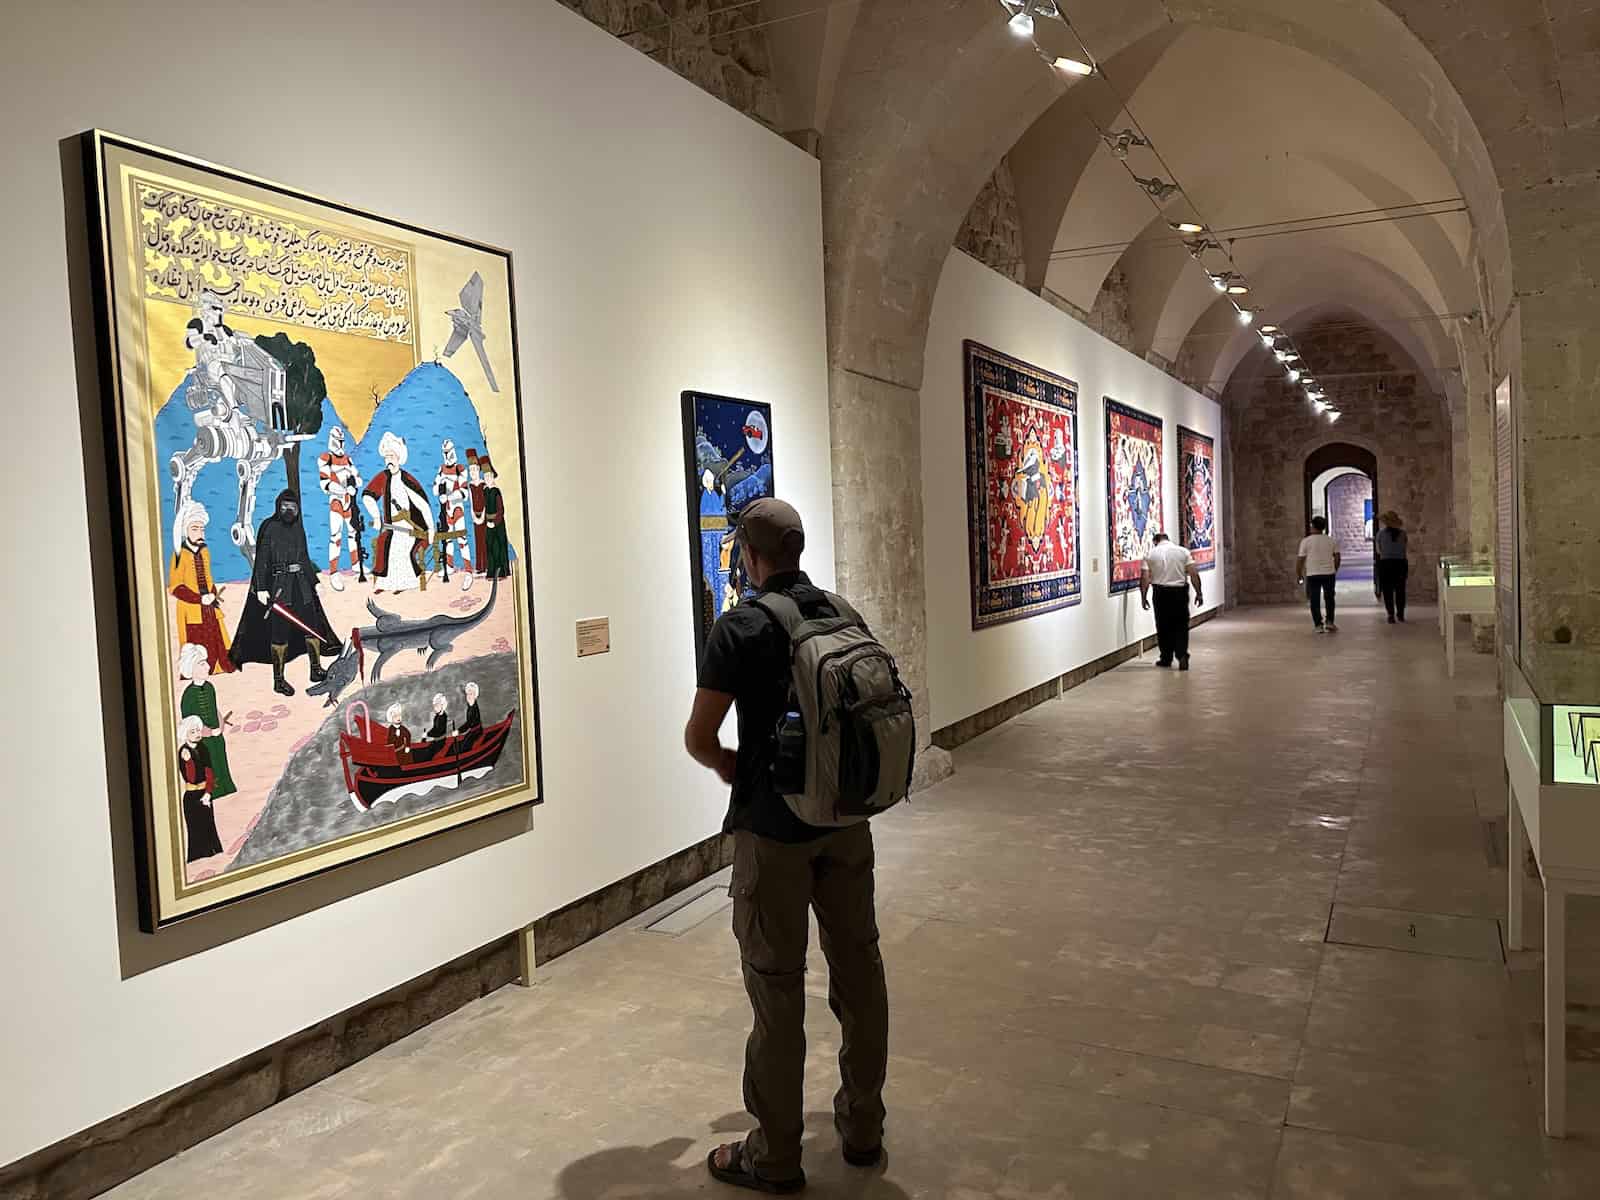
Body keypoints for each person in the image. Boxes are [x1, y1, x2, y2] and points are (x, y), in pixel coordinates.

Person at [684, 498, 888, 1194]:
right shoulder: (841, 611)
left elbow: (699, 736)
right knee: (859, 971)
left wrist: (727, 763)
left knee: (777, 991)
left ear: (750, 554)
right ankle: (863, 1128)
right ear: (798, 549)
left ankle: (774, 1155)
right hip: (846, 820)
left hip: (774, 833)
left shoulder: (739, 626)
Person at [229, 490, 341, 696]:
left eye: (293, 507)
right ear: (278, 507)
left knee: (311, 626)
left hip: (301, 587)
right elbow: (261, 560)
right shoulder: (269, 528)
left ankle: (315, 669)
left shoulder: (298, 529)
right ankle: (278, 680)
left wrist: (315, 582)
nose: (289, 511)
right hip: (279, 588)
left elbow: (305, 558)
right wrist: (261, 588)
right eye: (285, 507)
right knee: (279, 633)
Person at [362, 431, 434, 593]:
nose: (389, 461)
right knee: (384, 543)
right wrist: (376, 515)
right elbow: (367, 496)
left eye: (392, 457)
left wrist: (431, 528)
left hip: (411, 528)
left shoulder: (407, 479)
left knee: (399, 547)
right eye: (387, 457)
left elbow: (423, 505)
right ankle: (386, 584)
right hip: (391, 527)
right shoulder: (383, 477)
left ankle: (404, 584)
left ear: (399, 458)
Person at [167, 501, 235, 673]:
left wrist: (212, 595)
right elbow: (175, 586)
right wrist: (198, 599)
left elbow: (208, 577)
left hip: (208, 605)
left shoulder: (204, 550)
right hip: (191, 608)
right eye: (195, 528)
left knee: (215, 637)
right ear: (186, 531)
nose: (199, 533)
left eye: (202, 529)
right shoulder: (178, 555)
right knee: (197, 639)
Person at [177, 642, 236, 801]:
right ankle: (213, 792)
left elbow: (215, 709)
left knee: (220, 760)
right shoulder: (188, 695)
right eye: (202, 664)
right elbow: (190, 722)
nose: (207, 667)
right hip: (203, 740)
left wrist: (220, 726)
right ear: (193, 668)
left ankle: (226, 787)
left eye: (206, 664)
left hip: (217, 736)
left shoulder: (210, 687)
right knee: (209, 765)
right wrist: (208, 732)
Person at [1139, 532, 1204, 670]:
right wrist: (1199, 593)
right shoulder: (1183, 552)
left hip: (1160, 592)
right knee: (1181, 624)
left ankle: (1166, 657)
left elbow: (1144, 578)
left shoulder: (1150, 554)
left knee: (1163, 625)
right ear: (1168, 539)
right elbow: (1193, 574)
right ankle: (1182, 655)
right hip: (1179, 592)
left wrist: (1143, 597)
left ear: (1155, 541)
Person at [317, 425, 362, 591]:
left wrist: (353, 485)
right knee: (335, 536)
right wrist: (343, 489)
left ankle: (357, 566)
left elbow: (357, 478)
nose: (341, 445)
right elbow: (325, 484)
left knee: (353, 534)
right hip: (336, 501)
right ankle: (334, 572)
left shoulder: (348, 459)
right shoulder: (325, 459)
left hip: (349, 501)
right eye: (338, 441)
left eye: (342, 441)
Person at [177, 714, 224, 863]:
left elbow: (209, 772)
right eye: (193, 732)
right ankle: (198, 855)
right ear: (185, 734)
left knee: (209, 823)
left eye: (198, 731)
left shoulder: (203, 748)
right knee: (195, 827)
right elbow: (190, 777)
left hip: (205, 792)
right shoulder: (183, 752)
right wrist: (188, 761)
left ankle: (213, 852)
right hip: (192, 795)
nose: (197, 734)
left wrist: (208, 793)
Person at [433, 439, 474, 589]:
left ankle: (469, 571)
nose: (447, 455)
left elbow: (464, 493)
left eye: (449, 451)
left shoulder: (461, 469)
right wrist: (440, 490)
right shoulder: (441, 469)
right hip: (446, 510)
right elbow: (435, 488)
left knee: (461, 539)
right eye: (445, 452)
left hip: (457, 509)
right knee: (448, 540)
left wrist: (449, 497)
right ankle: (449, 566)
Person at [1297, 516, 1342, 633]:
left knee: (1314, 600)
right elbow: (1337, 557)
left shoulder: (1306, 541)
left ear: (1313, 526)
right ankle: (1330, 622)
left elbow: (1300, 560)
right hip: (1328, 573)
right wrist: (1334, 569)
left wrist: (1299, 574)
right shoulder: (1331, 540)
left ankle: (1318, 625)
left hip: (1313, 574)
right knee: (1330, 598)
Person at [1374, 510, 1410, 623]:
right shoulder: (1403, 534)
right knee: (1400, 590)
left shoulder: (1380, 534)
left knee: (1387, 590)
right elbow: (1404, 547)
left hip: (1386, 564)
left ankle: (1390, 614)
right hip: (1400, 564)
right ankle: (1400, 614)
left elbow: (1378, 551)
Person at [480, 459, 511, 579]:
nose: (487, 478)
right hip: (488, 523)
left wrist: (494, 522)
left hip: (497, 524)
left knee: (499, 547)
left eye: (489, 476)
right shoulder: (486, 491)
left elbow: (501, 510)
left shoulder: (496, 491)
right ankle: (491, 571)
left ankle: (502, 571)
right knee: (490, 546)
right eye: (485, 476)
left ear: (493, 477)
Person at [457, 681, 483, 747]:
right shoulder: (470, 705)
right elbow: (464, 692)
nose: (468, 696)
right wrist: (461, 688)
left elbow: (469, 723)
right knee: (463, 741)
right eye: (467, 694)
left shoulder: (473, 708)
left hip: (476, 732)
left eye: (471, 694)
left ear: (475, 695)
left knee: (465, 746)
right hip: (473, 730)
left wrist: (458, 731)